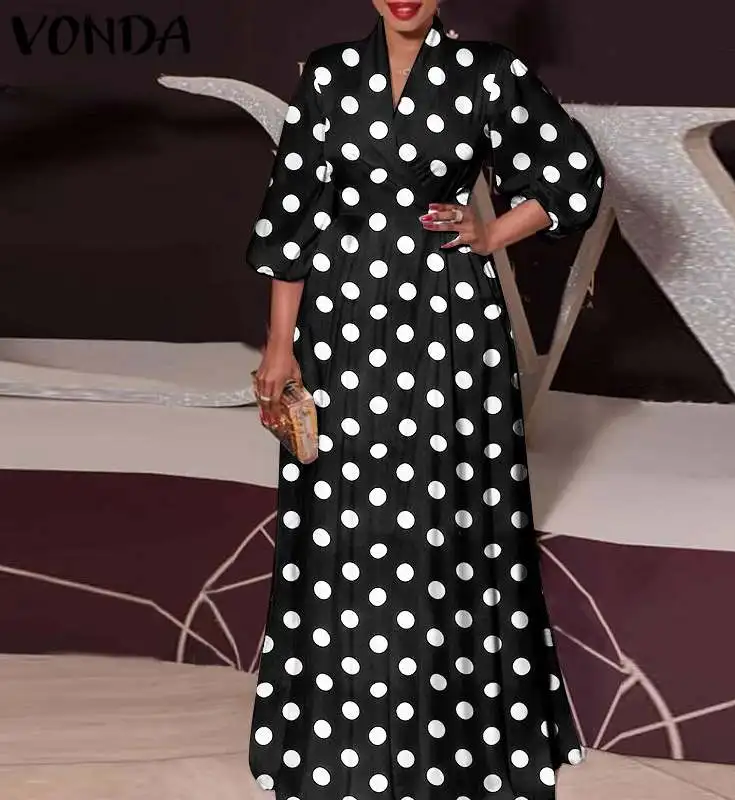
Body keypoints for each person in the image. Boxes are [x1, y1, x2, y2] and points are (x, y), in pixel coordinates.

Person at [247, 1, 604, 798]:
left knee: (448, 513)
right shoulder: (329, 74)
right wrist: (279, 343)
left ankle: (454, 746)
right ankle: (338, 744)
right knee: (341, 517)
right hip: (340, 321)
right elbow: (292, 212)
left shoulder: (488, 73)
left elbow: (574, 175)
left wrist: (493, 232)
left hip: (451, 322)